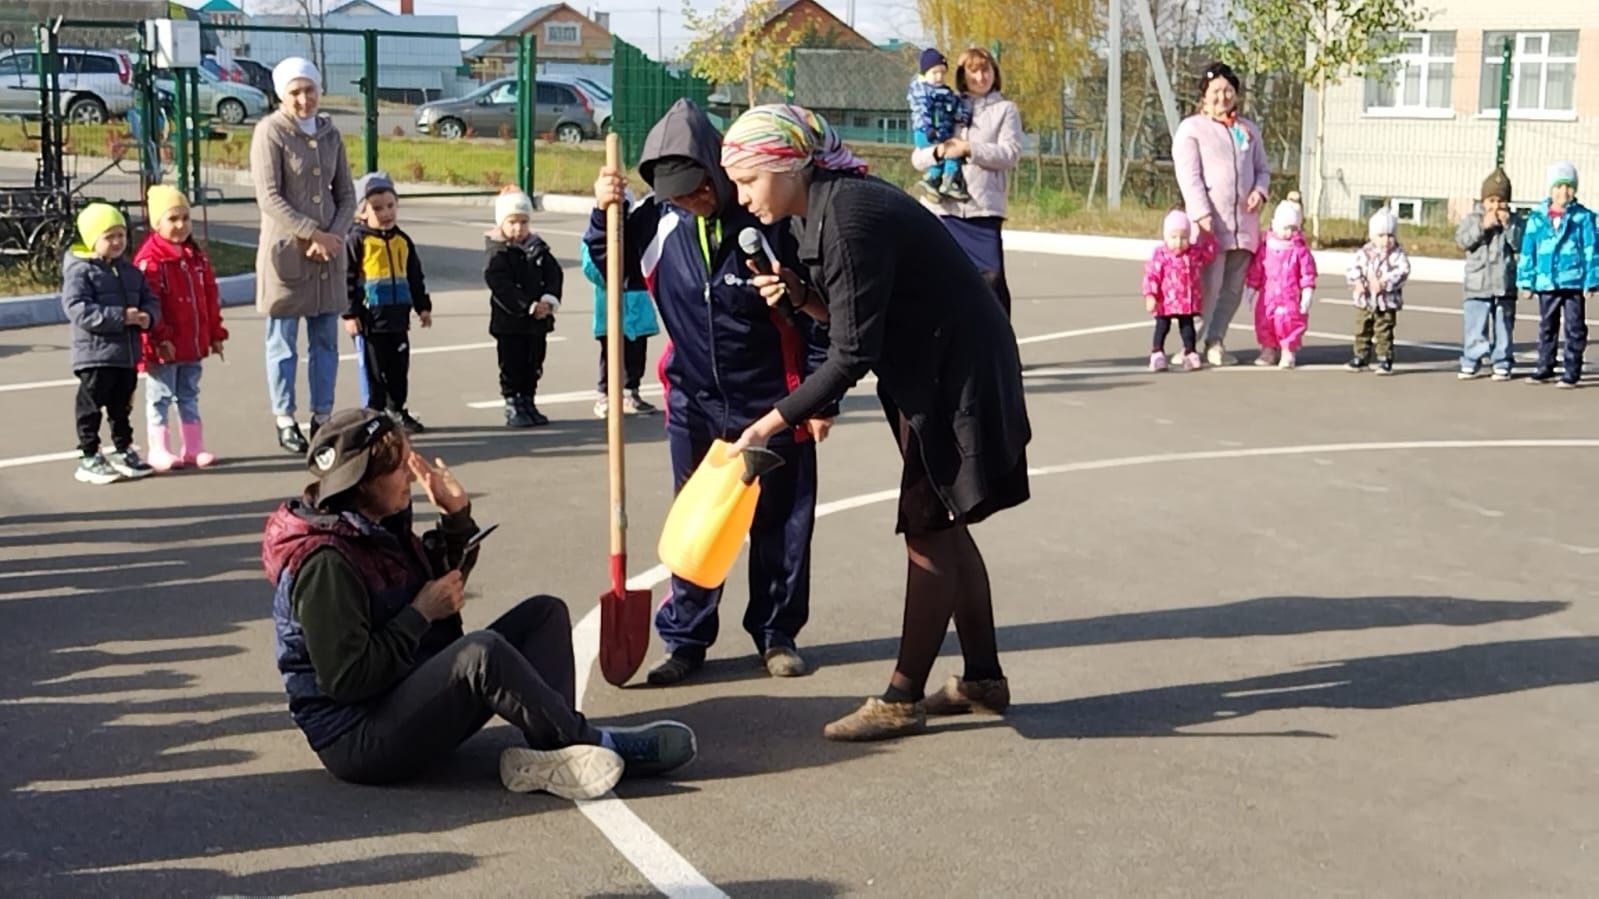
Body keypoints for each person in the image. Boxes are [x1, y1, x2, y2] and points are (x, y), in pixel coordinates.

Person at [719, 104, 1031, 741]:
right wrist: (803, 296)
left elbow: (853, 354)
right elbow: (857, 318)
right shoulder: (828, 209)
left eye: (748, 180)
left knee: (928, 527)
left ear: (786, 165)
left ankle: (902, 697)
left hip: (954, 376)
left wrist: (769, 423)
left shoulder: (849, 216)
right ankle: (981, 680)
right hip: (933, 368)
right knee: (943, 522)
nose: (741, 198)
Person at [261, 408, 697, 794]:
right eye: (398, 469)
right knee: (480, 654)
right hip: (357, 738)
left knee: (544, 613)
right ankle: (591, 743)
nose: (411, 476)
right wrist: (419, 614)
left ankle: (552, 753)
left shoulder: (370, 522)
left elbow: (435, 588)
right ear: (361, 482)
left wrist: (456, 518)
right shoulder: (326, 564)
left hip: (395, 692)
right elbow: (348, 680)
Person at [588, 99, 834, 686]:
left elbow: (822, 315)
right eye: (674, 194)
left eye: (696, 188)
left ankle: (776, 633)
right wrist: (605, 215)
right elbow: (610, 262)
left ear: (719, 170)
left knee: (781, 525)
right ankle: (687, 638)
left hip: (776, 403)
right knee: (699, 527)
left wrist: (820, 398)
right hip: (694, 405)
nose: (687, 201)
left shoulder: (773, 223)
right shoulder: (656, 221)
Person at [251, 57, 356, 454]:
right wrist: (311, 232)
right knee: (282, 342)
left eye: (309, 89)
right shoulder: (270, 132)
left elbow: (346, 193)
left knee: (325, 342)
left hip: (327, 254)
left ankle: (322, 417)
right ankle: (284, 417)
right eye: (294, 92)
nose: (303, 99)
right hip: (287, 253)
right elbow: (270, 197)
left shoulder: (331, 134)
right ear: (282, 94)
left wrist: (333, 235)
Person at [910, 46, 1022, 317]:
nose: (980, 77)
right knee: (942, 284)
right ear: (963, 75)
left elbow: (1010, 153)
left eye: (986, 70)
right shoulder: (943, 103)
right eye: (973, 71)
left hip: (982, 210)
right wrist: (939, 151)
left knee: (991, 282)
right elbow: (918, 159)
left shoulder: (1005, 110)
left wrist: (969, 148)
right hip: (943, 211)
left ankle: (1000, 348)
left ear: (995, 73)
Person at [1172, 61, 1270, 367]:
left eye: (1228, 90)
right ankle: (1191, 345)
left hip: (1245, 227)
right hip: (1211, 226)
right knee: (1207, 287)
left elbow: (1262, 170)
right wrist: (1200, 213)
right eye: (1216, 91)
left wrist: (1260, 191)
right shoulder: (1191, 129)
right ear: (1204, 95)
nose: (1222, 97)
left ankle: (1216, 341)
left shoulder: (1248, 130)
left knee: (1232, 289)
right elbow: (1189, 176)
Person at [62, 203, 160, 485]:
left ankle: (122, 449)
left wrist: (148, 317)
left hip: (126, 355)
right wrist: (119, 317)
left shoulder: (129, 272)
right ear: (93, 238)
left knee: (122, 407)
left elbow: (150, 299)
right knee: (91, 406)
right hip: (94, 355)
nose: (117, 242)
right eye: (109, 236)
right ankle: (89, 455)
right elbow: (77, 309)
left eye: (121, 235)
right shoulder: (81, 271)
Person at [134, 184, 228, 470]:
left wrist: (214, 333)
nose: (180, 225)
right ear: (156, 223)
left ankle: (193, 447)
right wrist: (158, 338)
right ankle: (159, 449)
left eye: (185, 218)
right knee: (160, 396)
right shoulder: (151, 261)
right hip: (165, 345)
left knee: (188, 393)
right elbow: (150, 305)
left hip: (191, 342)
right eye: (172, 219)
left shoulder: (195, 257)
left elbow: (209, 298)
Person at [344, 171, 430, 432]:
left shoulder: (403, 241)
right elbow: (346, 278)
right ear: (361, 212)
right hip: (371, 321)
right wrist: (349, 314)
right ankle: (375, 414)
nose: (386, 213)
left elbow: (415, 276)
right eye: (377, 208)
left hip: (398, 319)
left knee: (398, 369)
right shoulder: (358, 240)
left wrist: (422, 306)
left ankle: (397, 410)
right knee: (374, 372)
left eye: (390, 206)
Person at [485, 187, 562, 428]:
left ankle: (529, 400)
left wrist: (548, 300)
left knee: (534, 363)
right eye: (513, 222)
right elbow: (501, 286)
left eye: (524, 222)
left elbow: (554, 274)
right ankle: (512, 402)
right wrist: (528, 306)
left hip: (537, 323)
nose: (519, 228)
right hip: (510, 323)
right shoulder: (498, 252)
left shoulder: (538, 248)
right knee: (512, 364)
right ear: (502, 223)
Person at [1516, 161, 1596, 388]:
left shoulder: (1583, 218)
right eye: (1559, 187)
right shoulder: (1537, 217)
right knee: (1547, 325)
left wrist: (1591, 280)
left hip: (1573, 281)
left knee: (1574, 326)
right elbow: (1528, 250)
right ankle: (1545, 366)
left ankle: (1572, 370)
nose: (1564, 192)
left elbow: (1591, 250)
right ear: (1550, 189)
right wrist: (1526, 281)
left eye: (1569, 187)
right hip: (1547, 281)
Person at [1455, 167, 1522, 381]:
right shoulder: (1473, 219)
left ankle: (1502, 360)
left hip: (1504, 284)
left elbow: (1521, 244)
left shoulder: (1515, 221)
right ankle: (1472, 358)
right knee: (1475, 324)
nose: (1496, 206)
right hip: (1477, 283)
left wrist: (1509, 226)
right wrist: (1482, 227)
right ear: (1483, 201)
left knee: (1503, 325)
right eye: (1491, 200)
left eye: (1501, 201)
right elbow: (1462, 241)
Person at [579, 240, 659, 418]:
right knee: (610, 354)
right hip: (610, 306)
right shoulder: (597, 234)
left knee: (636, 353)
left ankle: (631, 391)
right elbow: (589, 266)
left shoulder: (638, 229)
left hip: (638, 307)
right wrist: (613, 275)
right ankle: (606, 395)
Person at [1246, 196, 1318, 370]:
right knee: (1265, 321)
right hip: (1268, 296)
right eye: (1286, 228)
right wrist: (1250, 289)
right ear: (1275, 225)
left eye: (1294, 228)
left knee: (1288, 322)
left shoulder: (1300, 251)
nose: (1289, 232)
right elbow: (1257, 270)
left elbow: (1307, 273)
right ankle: (1268, 349)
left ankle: (1288, 349)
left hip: (1290, 297)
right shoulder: (1266, 248)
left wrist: (1307, 292)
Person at [1141, 209, 1214, 372]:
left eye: (1183, 237)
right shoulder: (1161, 255)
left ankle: (1190, 352)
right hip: (1165, 300)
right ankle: (1157, 353)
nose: (1178, 242)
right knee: (1162, 327)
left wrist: (1207, 235)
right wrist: (1150, 295)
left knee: (1187, 328)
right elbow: (1151, 275)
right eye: (1173, 237)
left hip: (1186, 302)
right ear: (1166, 237)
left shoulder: (1194, 253)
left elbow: (1209, 254)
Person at [1345, 209, 1411, 376]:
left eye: (1390, 235)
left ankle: (1384, 358)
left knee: (1384, 330)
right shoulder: (1364, 253)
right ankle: (1361, 355)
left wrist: (1385, 283)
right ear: (1372, 236)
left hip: (1386, 301)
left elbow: (1403, 271)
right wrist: (1358, 281)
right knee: (1362, 328)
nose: (1386, 240)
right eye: (1381, 236)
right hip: (1365, 300)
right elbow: (1353, 268)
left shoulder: (1397, 255)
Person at [906, 48, 971, 202]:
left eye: (942, 73)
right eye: (935, 72)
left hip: (941, 131)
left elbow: (955, 106)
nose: (939, 77)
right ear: (925, 73)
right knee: (951, 151)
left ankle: (932, 179)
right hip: (928, 131)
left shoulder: (945, 92)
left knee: (941, 156)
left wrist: (962, 116)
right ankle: (949, 180)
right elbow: (921, 111)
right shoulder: (922, 91)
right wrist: (928, 128)